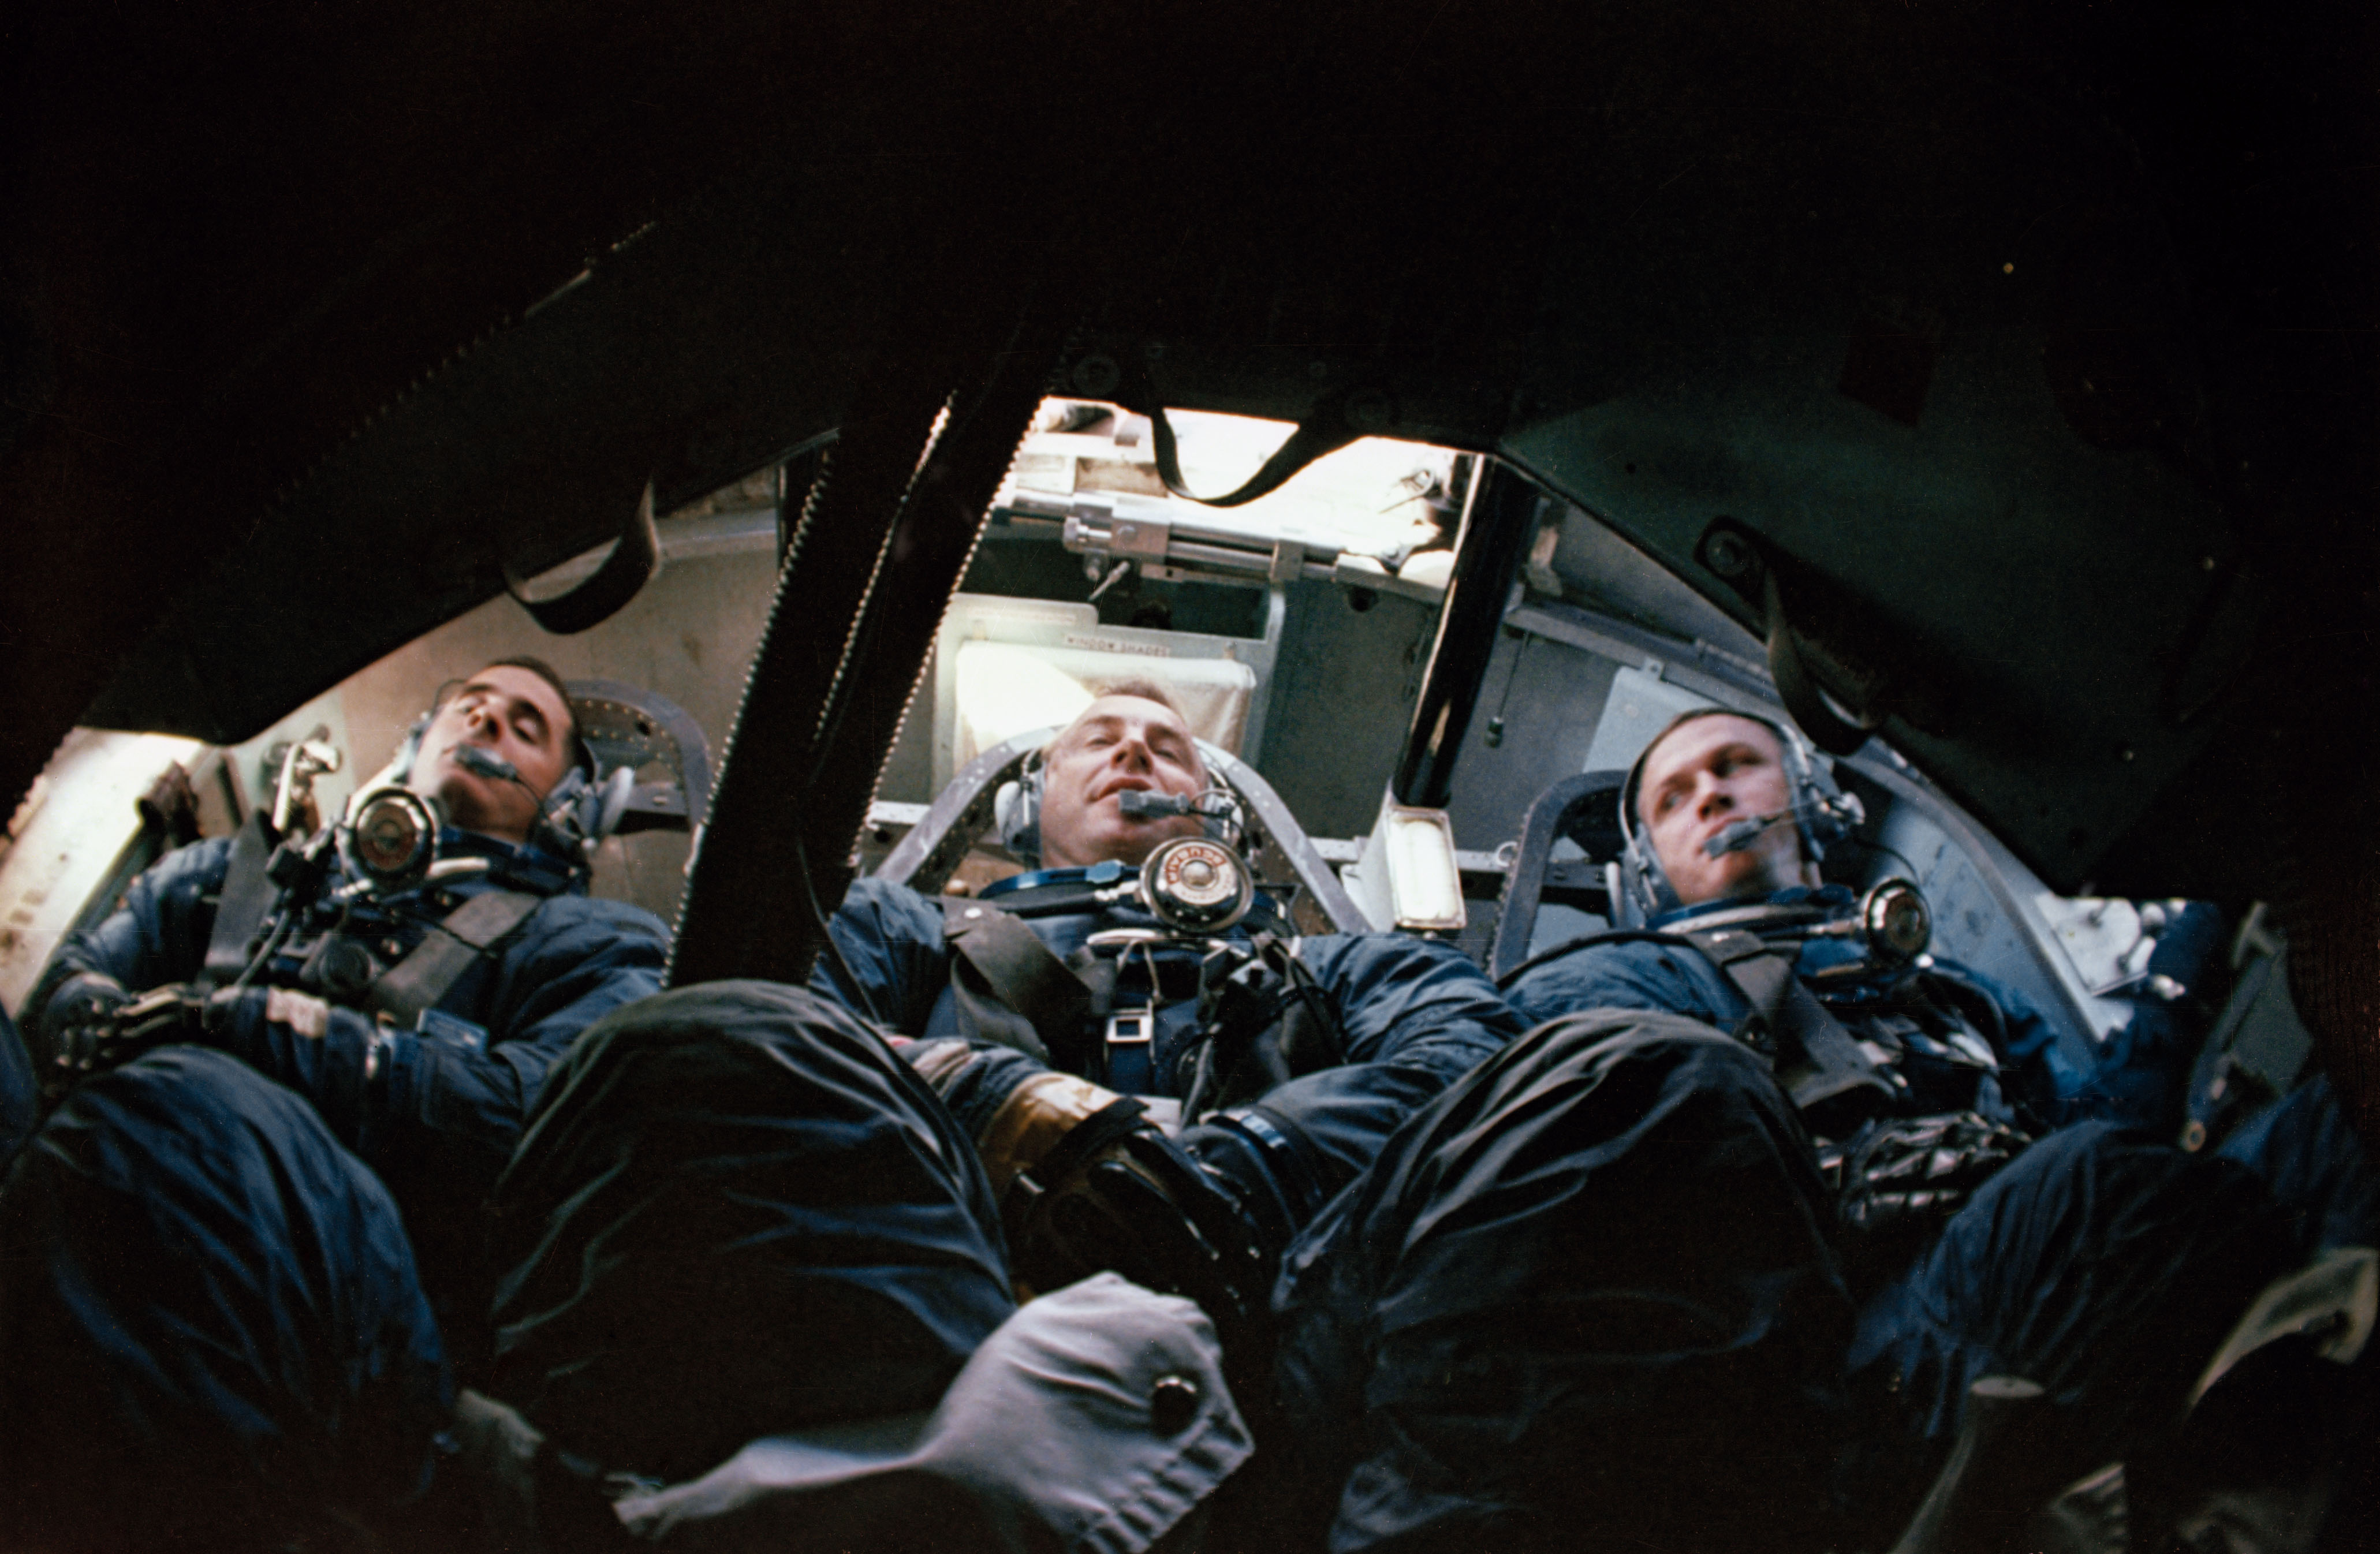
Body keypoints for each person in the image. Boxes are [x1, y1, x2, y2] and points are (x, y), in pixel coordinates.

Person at [1263, 706, 2296, 1553]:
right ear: (1649, 868)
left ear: (1810, 800)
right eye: (1674, 797)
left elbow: (2104, 1128)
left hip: (2012, 1283)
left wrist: (2189, 958)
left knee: (2291, 1148)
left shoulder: (1961, 1003)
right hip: (1796, 1361)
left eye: (1736, 769)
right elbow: (1519, 1185)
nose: (1711, 794)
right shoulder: (1618, 985)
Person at [16, 658, 671, 1359]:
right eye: (471, 703)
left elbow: (543, 1122)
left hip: (340, 1311)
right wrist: (85, 1012)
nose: (487, 721)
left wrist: (282, 1037)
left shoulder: (595, 946)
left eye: (525, 727)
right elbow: (75, 971)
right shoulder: (228, 877)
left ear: (570, 802)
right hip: (101, 1206)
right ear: (418, 738)